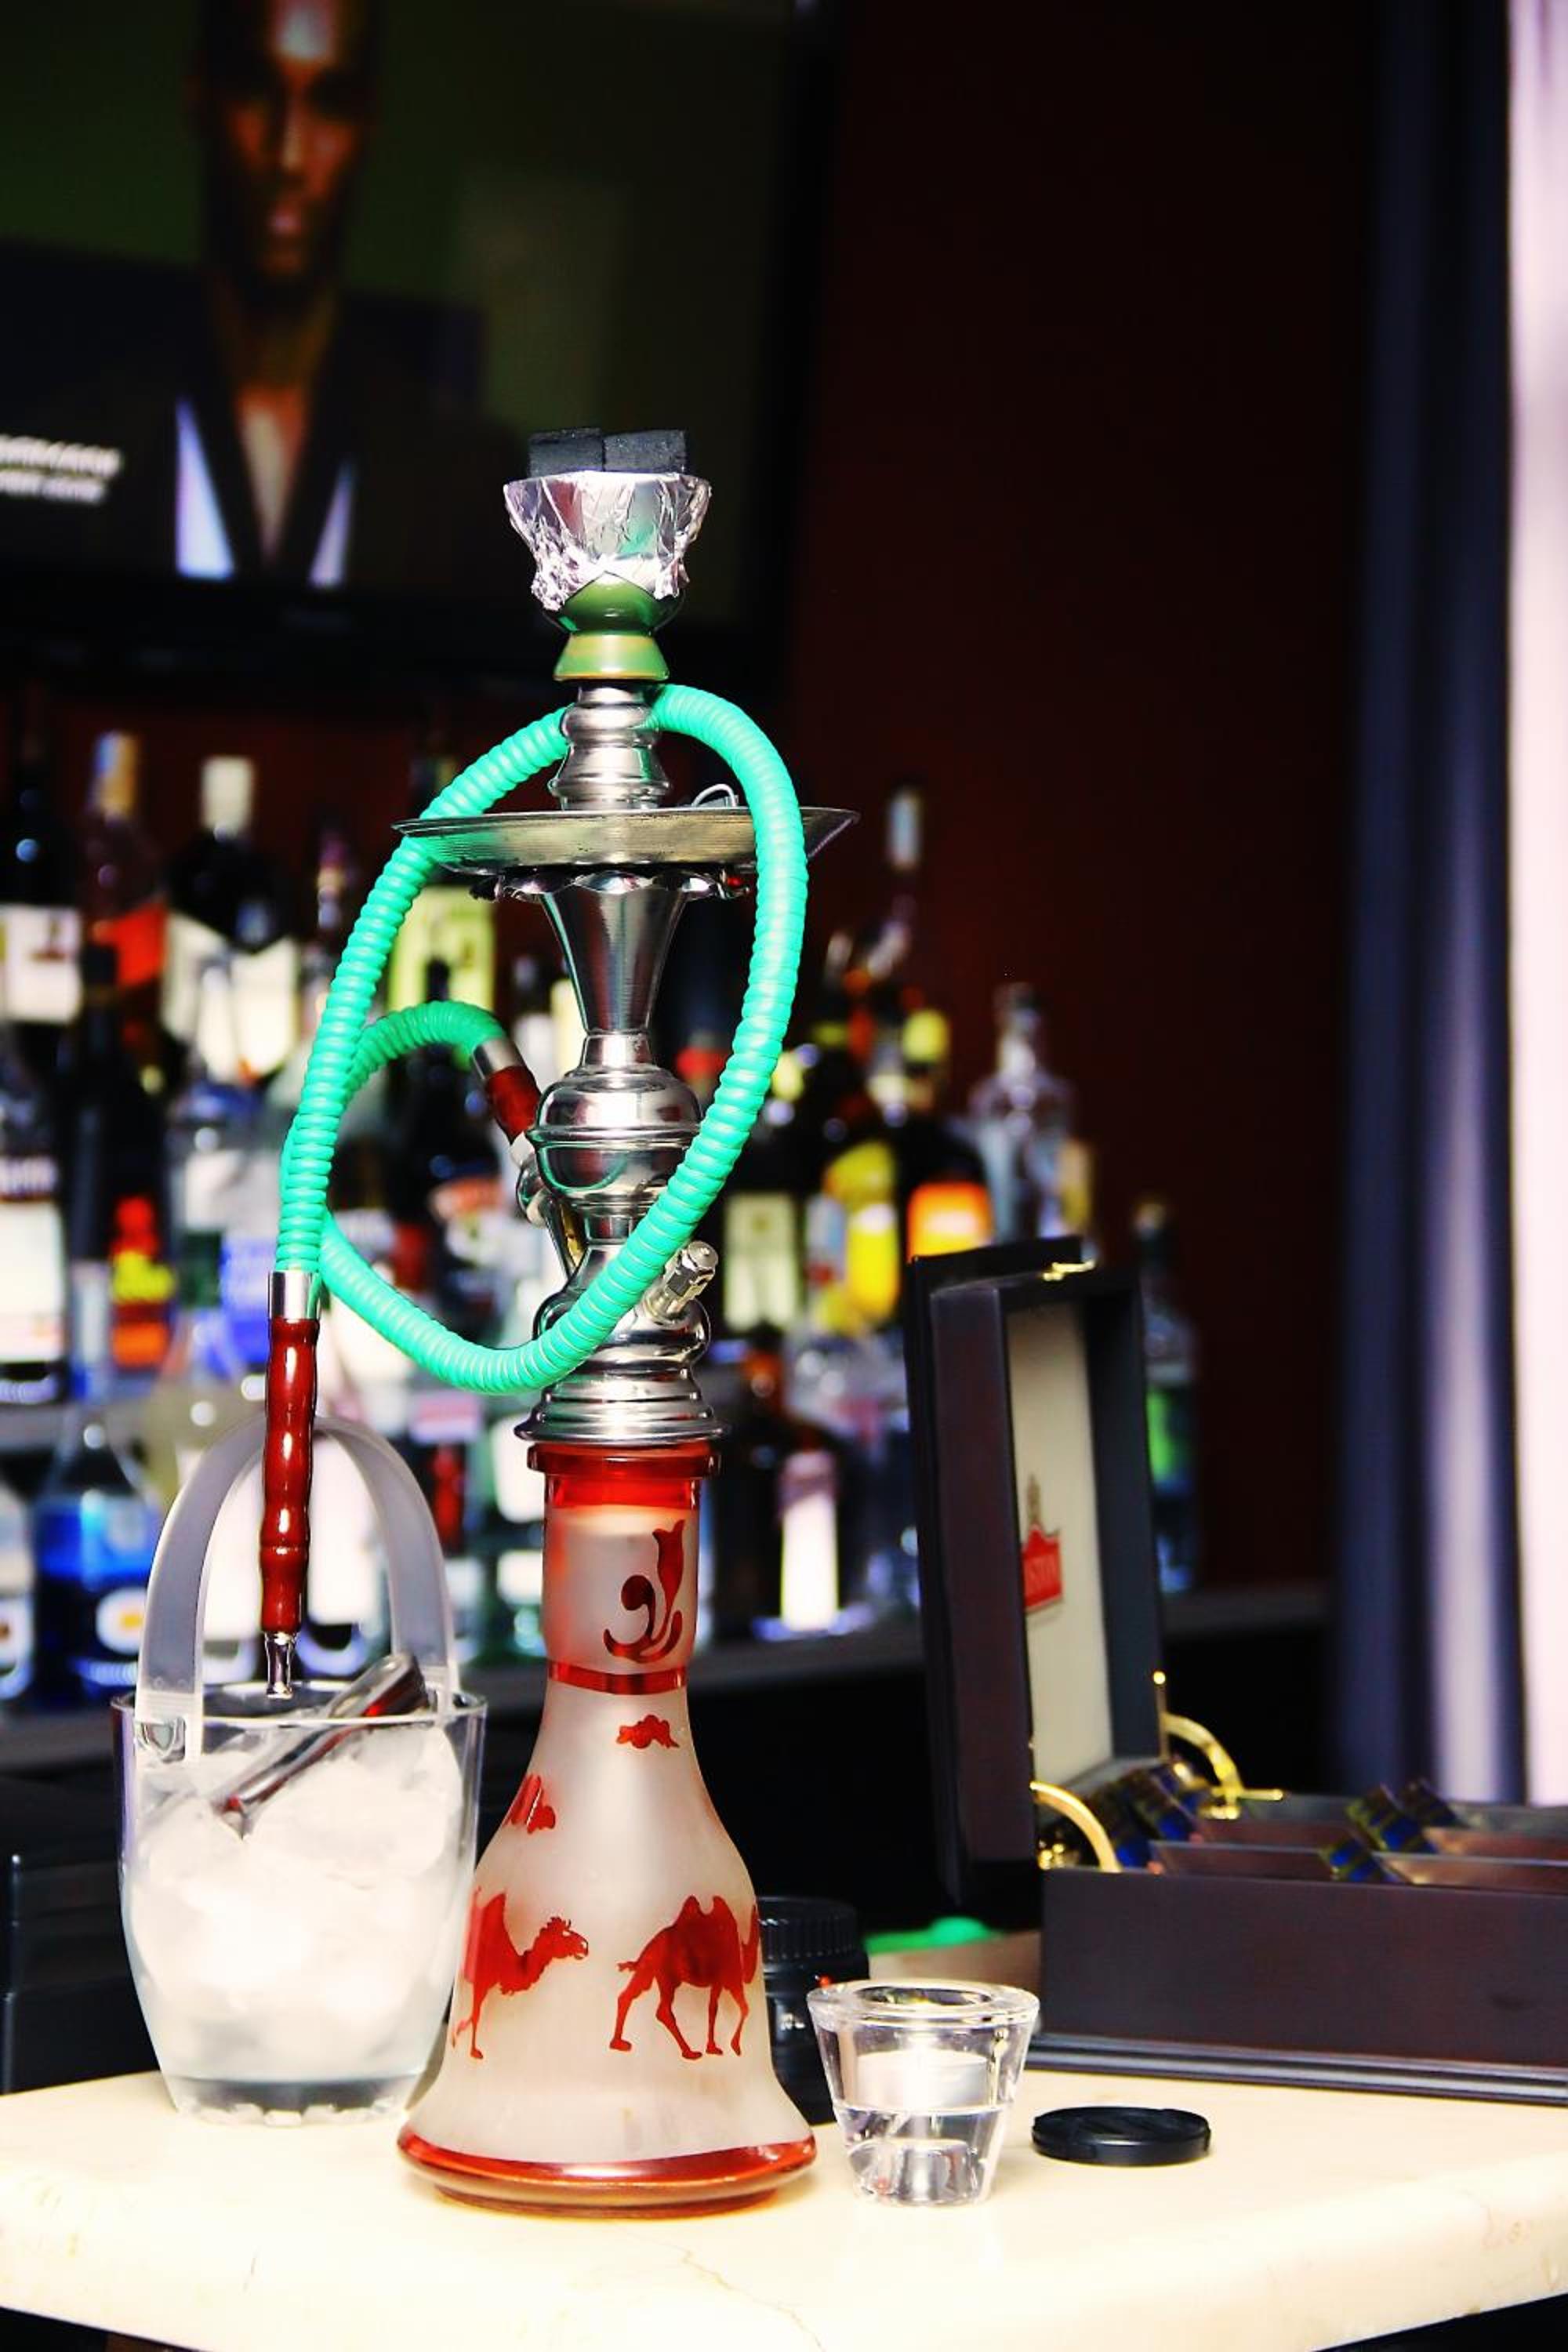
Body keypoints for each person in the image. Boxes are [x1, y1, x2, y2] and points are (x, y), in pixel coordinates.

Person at [1, 0, 521, 593]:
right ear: (201, 97)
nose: (289, 155)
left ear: (366, 125)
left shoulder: (469, 486)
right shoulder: (69, 438)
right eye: (255, 91)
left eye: (330, 102)